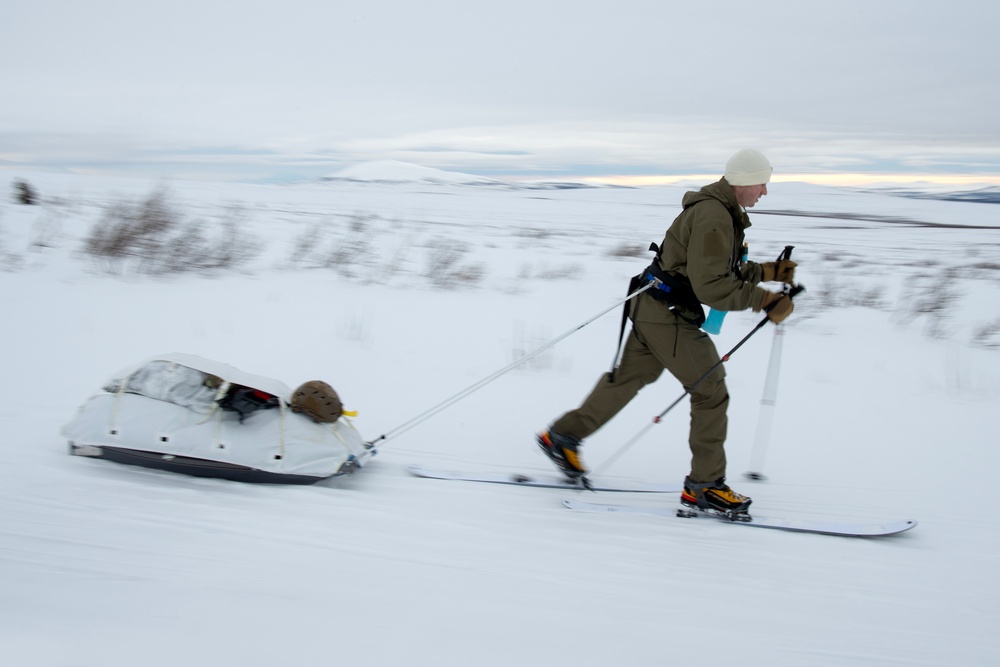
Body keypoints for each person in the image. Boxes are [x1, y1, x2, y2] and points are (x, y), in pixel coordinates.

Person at [537, 148, 796, 516]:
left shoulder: (720, 211)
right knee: (710, 390)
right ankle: (704, 487)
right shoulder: (713, 216)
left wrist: (770, 272)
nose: (764, 192)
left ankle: (562, 437)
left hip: (653, 306)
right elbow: (713, 287)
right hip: (666, 314)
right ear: (742, 182)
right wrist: (765, 302)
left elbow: (722, 268)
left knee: (628, 379)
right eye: (762, 184)